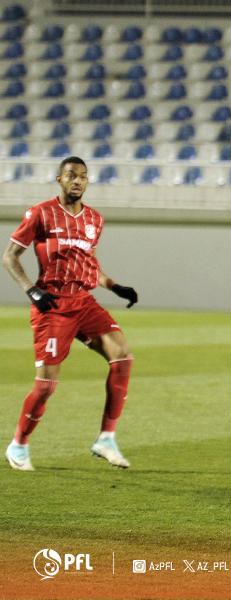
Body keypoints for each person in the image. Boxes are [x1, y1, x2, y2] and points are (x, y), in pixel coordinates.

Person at [2, 157, 138, 471]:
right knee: (46, 386)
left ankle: (106, 438)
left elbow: (88, 263)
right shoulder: (40, 213)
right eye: (71, 175)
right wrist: (31, 290)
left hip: (83, 302)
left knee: (122, 356)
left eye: (83, 177)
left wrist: (115, 286)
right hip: (52, 304)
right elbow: (9, 257)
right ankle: (18, 444)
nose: (77, 181)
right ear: (60, 180)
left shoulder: (94, 219)